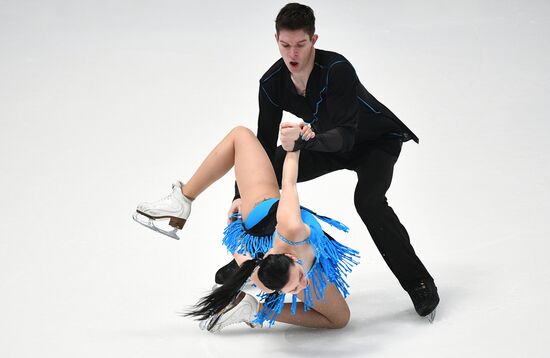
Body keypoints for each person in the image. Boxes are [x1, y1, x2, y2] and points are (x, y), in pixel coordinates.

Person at [216, 3, 439, 321]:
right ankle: (256, 260)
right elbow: (261, 147)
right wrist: (239, 194)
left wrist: (305, 141)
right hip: (325, 142)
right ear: (276, 41)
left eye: (300, 45)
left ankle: (418, 281)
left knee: (369, 201)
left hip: (374, 141)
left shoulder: (337, 70)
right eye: (285, 45)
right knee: (271, 170)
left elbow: (346, 137)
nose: (292, 54)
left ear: (314, 40)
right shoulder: (272, 83)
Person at [133, 126, 359, 332]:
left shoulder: (288, 231)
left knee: (241, 135)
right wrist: (297, 144)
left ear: (289, 257)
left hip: (259, 217)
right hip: (275, 236)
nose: (304, 283)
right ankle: (252, 308)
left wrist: (295, 143)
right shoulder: (278, 272)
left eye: (298, 280)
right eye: (294, 288)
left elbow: (289, 180)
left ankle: (181, 201)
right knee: (340, 318)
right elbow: (241, 250)